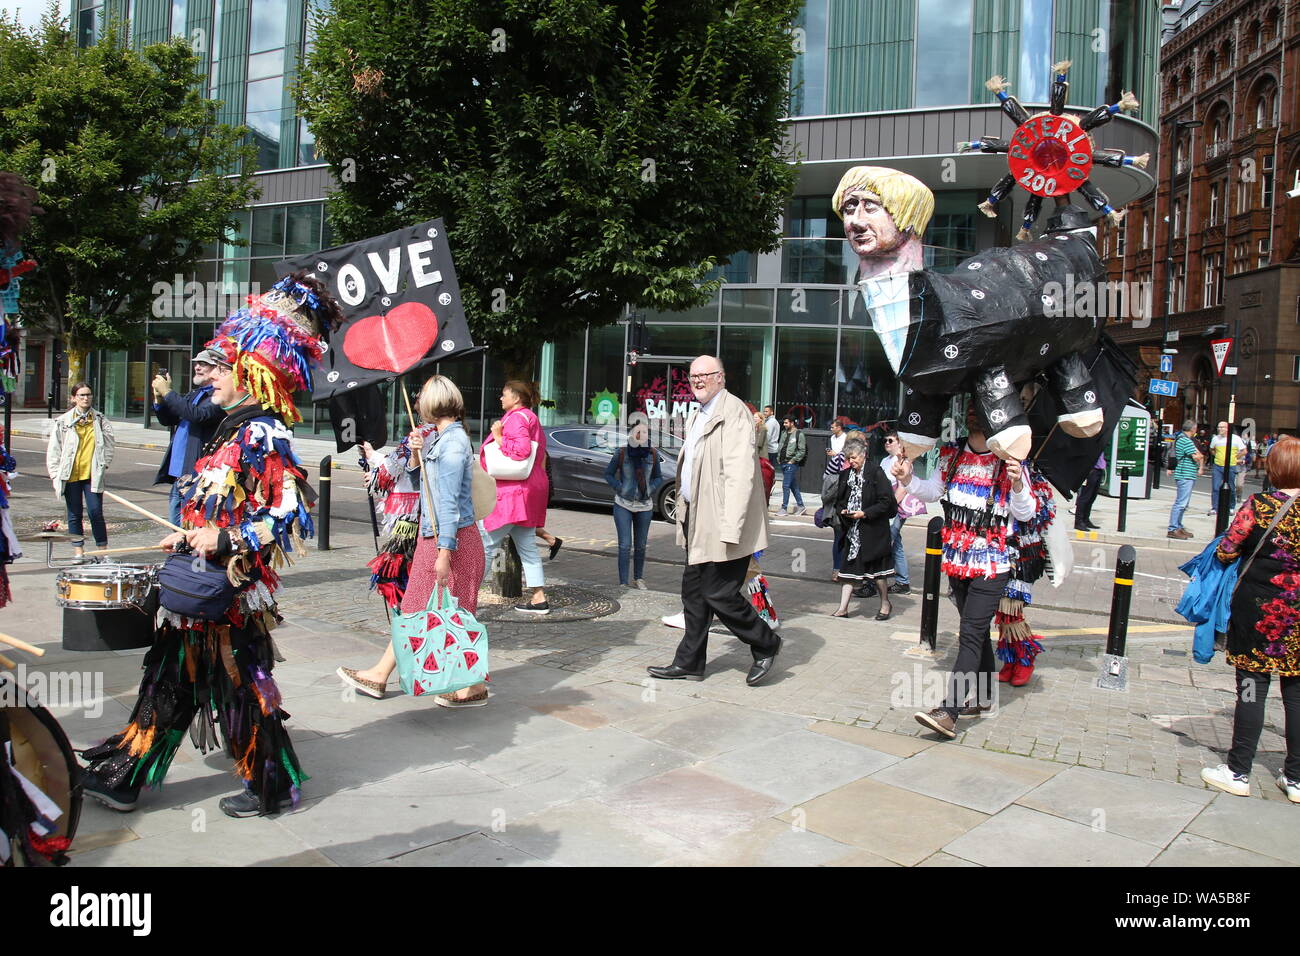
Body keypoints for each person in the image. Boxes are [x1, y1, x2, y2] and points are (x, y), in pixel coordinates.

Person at [79, 272, 336, 818]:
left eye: (219, 367)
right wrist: (188, 529)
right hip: (198, 587)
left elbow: (288, 512)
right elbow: (219, 499)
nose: (208, 377)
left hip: (229, 594)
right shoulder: (230, 427)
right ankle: (129, 773)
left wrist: (226, 536)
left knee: (242, 688)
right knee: (171, 680)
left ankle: (273, 784)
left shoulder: (263, 431)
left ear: (249, 372)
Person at [896, 403, 1055, 739]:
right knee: (977, 632)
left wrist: (1017, 486)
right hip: (958, 560)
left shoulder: (1010, 462)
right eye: (969, 413)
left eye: (978, 414)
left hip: (993, 564)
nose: (971, 418)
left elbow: (1025, 515)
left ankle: (949, 711)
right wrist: (909, 479)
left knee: (970, 632)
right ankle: (982, 698)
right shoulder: (952, 456)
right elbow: (934, 491)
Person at [338, 375, 488, 706]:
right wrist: (419, 458)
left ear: (434, 402)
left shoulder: (452, 443)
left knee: (454, 611)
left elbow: (446, 502)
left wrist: (444, 552)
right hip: (435, 537)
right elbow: (428, 488)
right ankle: (380, 675)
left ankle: (473, 686)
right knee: (416, 608)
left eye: (421, 397)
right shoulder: (441, 438)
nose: (417, 402)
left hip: (451, 540)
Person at [647, 355, 781, 686]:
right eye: (693, 377)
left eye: (705, 375)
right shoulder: (700, 414)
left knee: (717, 592)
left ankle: (766, 643)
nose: (698, 381)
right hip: (698, 520)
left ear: (721, 377)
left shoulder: (732, 412)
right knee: (693, 592)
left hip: (723, 523)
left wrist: (731, 527)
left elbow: (739, 475)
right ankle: (690, 662)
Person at [1200, 436, 1300, 802]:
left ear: (1274, 468)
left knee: (1251, 690)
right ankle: (1296, 779)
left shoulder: (1258, 506)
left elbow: (1227, 550)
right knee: (1297, 694)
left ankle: (1238, 771)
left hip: (1258, 613)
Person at [481, 380, 551, 613]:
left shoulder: (517, 418)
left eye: (504, 394)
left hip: (512, 494)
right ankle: (539, 598)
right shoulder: (531, 417)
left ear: (516, 398)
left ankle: (464, 596)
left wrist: (498, 437)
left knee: (486, 543)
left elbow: (521, 452)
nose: (501, 398)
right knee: (528, 547)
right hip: (528, 492)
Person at [152, 350, 226, 527]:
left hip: (196, 476)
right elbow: (168, 419)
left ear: (218, 369)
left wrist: (168, 392)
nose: (197, 367)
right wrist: (159, 398)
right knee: (176, 529)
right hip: (180, 475)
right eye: (196, 363)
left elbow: (198, 415)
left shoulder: (219, 396)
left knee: (189, 530)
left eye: (204, 364)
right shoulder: (195, 394)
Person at [46, 382, 115, 557]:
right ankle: (78, 551)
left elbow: (109, 443)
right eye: (81, 395)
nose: (85, 398)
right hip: (71, 475)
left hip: (91, 474)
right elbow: (54, 450)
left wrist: (104, 463)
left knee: (95, 512)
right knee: (74, 513)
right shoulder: (63, 422)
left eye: (88, 395)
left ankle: (102, 552)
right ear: (73, 398)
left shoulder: (99, 419)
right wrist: (55, 474)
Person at [830, 439, 896, 619]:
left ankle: (885, 603)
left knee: (878, 573)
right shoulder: (845, 475)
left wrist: (864, 513)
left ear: (863, 455)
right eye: (848, 458)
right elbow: (839, 501)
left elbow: (886, 502)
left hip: (873, 530)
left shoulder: (876, 472)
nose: (851, 462)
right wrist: (843, 511)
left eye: (853, 458)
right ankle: (843, 608)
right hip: (853, 532)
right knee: (848, 572)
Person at [605, 415, 663, 589]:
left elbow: (658, 477)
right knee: (624, 545)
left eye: (644, 432)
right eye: (638, 431)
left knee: (641, 545)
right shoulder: (621, 452)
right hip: (623, 504)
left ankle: (639, 578)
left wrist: (650, 489)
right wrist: (620, 487)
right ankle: (623, 582)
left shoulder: (653, 454)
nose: (641, 435)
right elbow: (608, 474)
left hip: (645, 506)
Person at [881, 429, 925, 595]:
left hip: (896, 508)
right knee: (896, 544)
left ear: (900, 443)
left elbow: (903, 488)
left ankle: (874, 580)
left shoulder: (904, 461)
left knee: (886, 541)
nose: (887, 443)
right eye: (885, 440)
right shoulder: (886, 460)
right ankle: (902, 581)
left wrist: (888, 507)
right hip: (888, 505)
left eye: (890, 440)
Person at [1167, 419, 1204, 539]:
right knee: (1181, 503)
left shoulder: (1183, 439)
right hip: (1185, 474)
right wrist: (1198, 456)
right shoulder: (1185, 440)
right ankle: (1173, 528)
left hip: (1187, 474)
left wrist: (1197, 456)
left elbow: (1198, 455)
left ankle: (1178, 526)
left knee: (1184, 503)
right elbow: (1198, 456)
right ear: (1193, 429)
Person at [1208, 421, 1247, 516]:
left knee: (1231, 487)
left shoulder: (1236, 439)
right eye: (1218, 427)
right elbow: (1211, 449)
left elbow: (1244, 451)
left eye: (1222, 427)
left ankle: (1231, 507)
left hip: (1230, 466)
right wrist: (1216, 455)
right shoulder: (1215, 439)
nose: (1220, 429)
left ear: (1227, 428)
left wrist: (1234, 457)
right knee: (1216, 487)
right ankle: (1215, 507)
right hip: (1218, 466)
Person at [775, 416, 807, 516]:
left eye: (786, 423)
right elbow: (781, 445)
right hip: (783, 462)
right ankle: (801, 506)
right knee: (793, 486)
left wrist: (793, 460)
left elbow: (802, 450)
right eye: (784, 423)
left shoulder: (799, 434)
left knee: (785, 485)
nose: (784, 425)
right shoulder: (784, 433)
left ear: (792, 423)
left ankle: (784, 508)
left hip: (791, 463)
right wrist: (779, 458)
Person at [1073, 453, 1105, 532]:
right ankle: (1079, 522)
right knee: (1085, 497)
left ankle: (1086, 519)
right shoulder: (1092, 441)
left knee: (1092, 497)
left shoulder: (1101, 442)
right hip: (1090, 471)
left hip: (1099, 470)